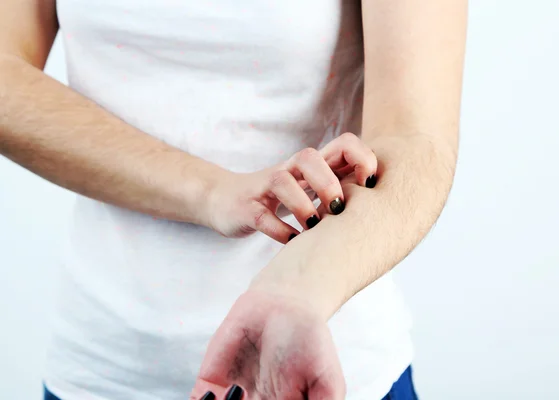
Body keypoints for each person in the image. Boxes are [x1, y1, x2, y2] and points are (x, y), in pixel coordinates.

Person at [0, 0, 467, 399]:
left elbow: (414, 139)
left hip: (318, 352)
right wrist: (212, 191)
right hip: (99, 368)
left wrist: (297, 291)